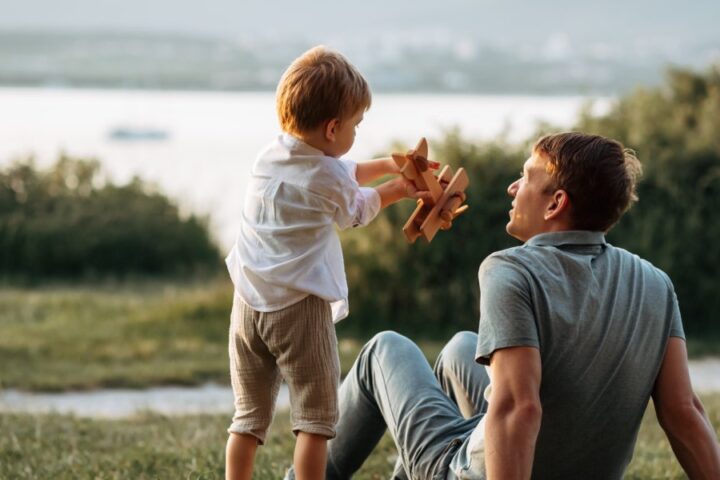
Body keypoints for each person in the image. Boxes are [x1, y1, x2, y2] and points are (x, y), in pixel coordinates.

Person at [295, 132, 720, 479]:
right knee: (464, 347)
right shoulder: (655, 282)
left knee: (384, 350)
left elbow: (520, 407)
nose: (512, 188)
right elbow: (684, 412)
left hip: (482, 472)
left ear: (555, 204)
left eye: (525, 177)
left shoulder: (510, 270)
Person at [223, 46, 434, 480]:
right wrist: (401, 187)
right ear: (333, 128)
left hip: (247, 304)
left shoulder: (272, 155)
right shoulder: (327, 177)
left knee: (248, 418)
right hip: (297, 308)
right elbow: (354, 209)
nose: (357, 132)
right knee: (315, 420)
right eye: (356, 125)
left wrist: (393, 164)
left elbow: (341, 172)